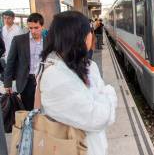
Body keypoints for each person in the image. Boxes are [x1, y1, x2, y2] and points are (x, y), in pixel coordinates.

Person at [40, 11, 117, 155]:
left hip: (90, 148)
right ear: (77, 37)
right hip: (75, 149)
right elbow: (99, 118)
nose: (91, 35)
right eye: (88, 31)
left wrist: (99, 99)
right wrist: (109, 93)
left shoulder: (86, 65)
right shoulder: (55, 78)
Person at [4, 13, 45, 110]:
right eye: (30, 28)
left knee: (44, 109)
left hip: (44, 79)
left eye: (36, 27)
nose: (33, 31)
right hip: (26, 81)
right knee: (28, 109)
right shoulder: (19, 40)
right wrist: (7, 83)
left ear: (42, 26)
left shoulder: (49, 41)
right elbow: (10, 61)